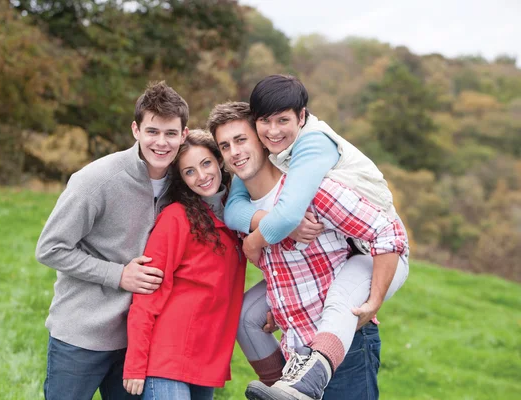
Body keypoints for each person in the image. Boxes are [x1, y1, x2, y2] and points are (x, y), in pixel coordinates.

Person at [208, 101, 409, 400]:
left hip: (347, 347)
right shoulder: (242, 214)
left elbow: (389, 232)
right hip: (296, 349)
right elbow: (280, 273)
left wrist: (375, 300)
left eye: (241, 140)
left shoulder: (312, 189)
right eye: (225, 146)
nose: (234, 152)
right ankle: (283, 389)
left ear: (263, 142)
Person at [35, 81, 189, 400]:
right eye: (152, 131)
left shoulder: (183, 184)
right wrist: (119, 275)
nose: (161, 142)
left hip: (137, 341)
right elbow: (50, 248)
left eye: (171, 133)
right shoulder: (96, 180)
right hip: (81, 336)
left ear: (184, 135)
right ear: (136, 130)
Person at [122, 129, 246, 400]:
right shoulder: (176, 218)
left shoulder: (237, 216)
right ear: (181, 179)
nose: (201, 176)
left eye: (205, 164)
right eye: (189, 171)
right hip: (167, 358)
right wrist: (135, 363)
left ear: (218, 160)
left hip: (206, 359)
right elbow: (147, 293)